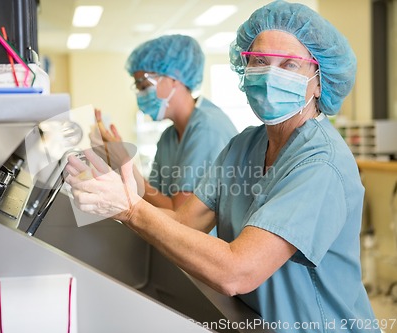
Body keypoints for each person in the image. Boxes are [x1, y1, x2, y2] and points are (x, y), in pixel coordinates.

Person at [66, 1, 379, 332]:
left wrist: (131, 209)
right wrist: (123, 195)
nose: (270, 75)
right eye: (259, 61)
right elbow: (184, 221)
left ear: (319, 81)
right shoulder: (244, 146)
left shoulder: (321, 163)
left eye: (289, 65)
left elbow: (237, 271)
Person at [91, 35, 238, 236]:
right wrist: (115, 161)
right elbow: (152, 200)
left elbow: (180, 216)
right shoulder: (169, 136)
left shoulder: (207, 128)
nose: (141, 95)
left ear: (174, 78)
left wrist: (126, 165)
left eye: (144, 86)